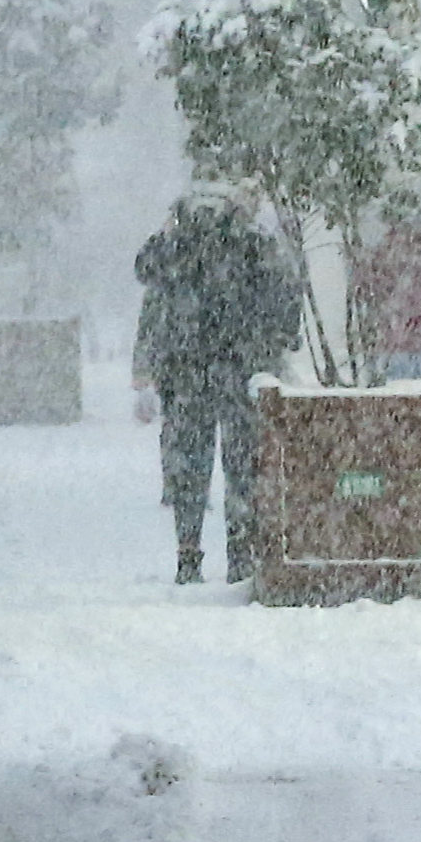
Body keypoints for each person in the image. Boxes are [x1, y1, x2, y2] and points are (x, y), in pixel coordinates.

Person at [135, 184, 305, 584]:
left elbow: (145, 270)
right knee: (241, 465)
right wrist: (276, 341)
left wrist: (168, 233)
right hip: (239, 370)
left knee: (190, 465)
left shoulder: (175, 242)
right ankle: (240, 556)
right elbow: (286, 292)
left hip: (185, 372)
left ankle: (188, 555)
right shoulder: (252, 241)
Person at [352, 209, 421, 384]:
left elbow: (367, 288)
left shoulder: (384, 251)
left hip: (390, 339)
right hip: (417, 339)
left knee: (393, 387)